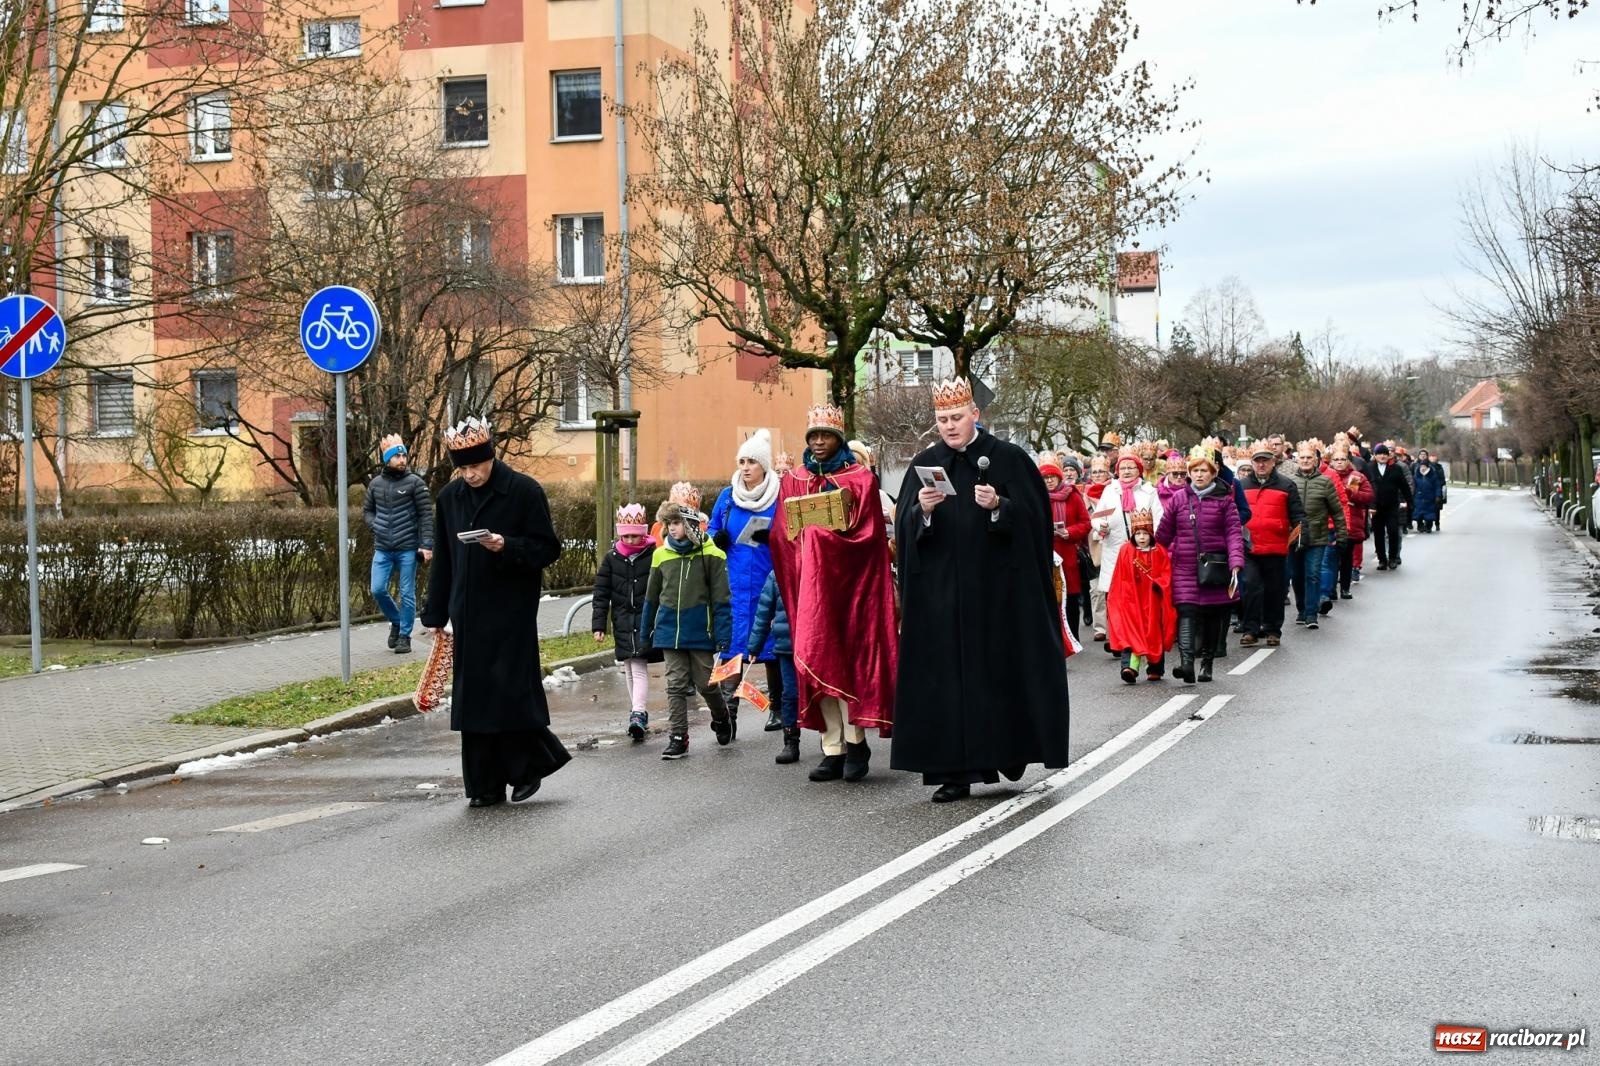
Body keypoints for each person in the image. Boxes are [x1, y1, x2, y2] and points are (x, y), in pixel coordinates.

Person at [891, 378, 1069, 803]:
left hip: (997, 599)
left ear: (975, 414)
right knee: (947, 684)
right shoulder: (926, 462)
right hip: (943, 601)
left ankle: (1003, 753)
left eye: (956, 417)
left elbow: (1036, 524)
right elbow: (903, 528)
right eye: (942, 420)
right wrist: (923, 513)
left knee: (996, 679)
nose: (950, 426)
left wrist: (1000, 508)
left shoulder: (1008, 459)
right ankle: (954, 772)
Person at [421, 418, 570, 807]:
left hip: (510, 611)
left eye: (476, 466)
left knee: (509, 694)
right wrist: (434, 613)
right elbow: (444, 560)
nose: (470, 474)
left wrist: (507, 546)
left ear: (491, 456)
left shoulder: (523, 491)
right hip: (466, 612)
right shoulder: (449, 498)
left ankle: (526, 770)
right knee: (473, 701)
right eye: (463, 468)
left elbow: (547, 548)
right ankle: (484, 786)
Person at [769, 404, 898, 783]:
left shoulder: (859, 478)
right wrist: (799, 539)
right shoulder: (793, 479)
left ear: (838, 439)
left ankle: (856, 742)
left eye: (826, 435)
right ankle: (832, 747)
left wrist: (820, 538)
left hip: (849, 590)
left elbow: (869, 534)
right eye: (814, 436)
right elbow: (781, 533)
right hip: (809, 589)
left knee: (848, 660)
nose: (820, 442)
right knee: (815, 657)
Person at [641, 502, 733, 759]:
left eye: (677, 522)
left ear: (691, 525)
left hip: (700, 631)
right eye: (669, 523)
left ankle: (721, 715)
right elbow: (651, 598)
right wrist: (645, 630)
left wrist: (724, 636)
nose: (672, 527)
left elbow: (722, 600)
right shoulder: (661, 555)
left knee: (706, 684)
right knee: (675, 685)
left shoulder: (713, 555)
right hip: (669, 631)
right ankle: (678, 736)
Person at [708, 428, 783, 735]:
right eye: (742, 461)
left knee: (773, 645)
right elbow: (711, 531)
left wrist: (774, 538)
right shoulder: (728, 497)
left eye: (752, 461)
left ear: (764, 465)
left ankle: (778, 708)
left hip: (769, 581)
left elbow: (795, 533)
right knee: (734, 646)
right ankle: (729, 712)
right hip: (735, 584)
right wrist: (718, 539)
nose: (746, 467)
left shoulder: (779, 494)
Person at [1156, 446, 1245, 684]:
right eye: (1194, 470)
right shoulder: (1178, 499)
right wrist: (1151, 556)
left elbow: (1234, 534)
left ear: (1213, 473)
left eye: (1203, 470)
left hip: (1215, 568)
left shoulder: (1225, 501)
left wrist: (1236, 563)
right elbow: (1163, 535)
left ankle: (1207, 662)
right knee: (1186, 612)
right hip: (1184, 566)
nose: (1198, 475)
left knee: (1212, 617)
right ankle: (1187, 664)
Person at [591, 503, 661, 741]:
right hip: (622, 620)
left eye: (636, 535)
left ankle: (638, 712)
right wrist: (599, 625)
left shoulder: (653, 556)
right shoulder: (611, 559)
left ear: (644, 533)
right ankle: (637, 712)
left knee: (638, 666)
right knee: (629, 667)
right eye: (626, 535)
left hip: (643, 618)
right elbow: (601, 593)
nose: (631, 540)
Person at [363, 433, 433, 655]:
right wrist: (375, 526)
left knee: (407, 592)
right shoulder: (375, 484)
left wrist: (427, 545)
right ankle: (396, 621)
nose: (402, 459)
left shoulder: (415, 483)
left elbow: (426, 516)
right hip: (382, 548)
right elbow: (367, 511)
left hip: (407, 548)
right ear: (387, 459)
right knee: (377, 589)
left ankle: (405, 636)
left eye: (404, 455)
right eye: (397, 456)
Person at [1090, 447, 1163, 658]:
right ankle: (1118, 639)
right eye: (1123, 467)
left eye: (1131, 467)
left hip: (1141, 551)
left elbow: (1159, 520)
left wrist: (1149, 540)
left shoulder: (1149, 492)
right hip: (1115, 550)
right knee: (1115, 598)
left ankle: (1139, 637)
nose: (1127, 471)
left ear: (1139, 470)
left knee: (1138, 597)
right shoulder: (1110, 491)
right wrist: (1100, 526)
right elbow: (1097, 516)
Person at [1238, 441, 1303, 648]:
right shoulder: (1241, 486)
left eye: (1265, 460)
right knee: (1251, 587)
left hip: (1276, 548)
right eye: (1257, 461)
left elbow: (1298, 517)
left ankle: (1273, 629)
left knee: (1275, 590)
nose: (1261, 464)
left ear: (1273, 462)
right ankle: (1250, 629)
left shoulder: (1286, 485)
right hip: (1249, 547)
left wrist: (1297, 539)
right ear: (1252, 463)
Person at [1106, 509, 1176, 683]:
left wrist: (1159, 584)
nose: (1142, 537)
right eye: (1138, 533)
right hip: (1132, 600)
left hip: (1153, 600)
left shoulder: (1159, 551)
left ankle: (1154, 668)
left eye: (1145, 533)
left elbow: (1166, 574)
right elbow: (1120, 576)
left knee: (1154, 632)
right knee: (1131, 631)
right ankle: (1129, 667)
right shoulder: (1126, 551)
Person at [1285, 441, 1347, 628]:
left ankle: (1312, 613)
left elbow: (1337, 511)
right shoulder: (1289, 482)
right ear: (1297, 459)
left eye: (1309, 458)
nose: (1305, 461)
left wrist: (1342, 535)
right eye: (1302, 457)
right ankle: (1302, 610)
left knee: (1312, 574)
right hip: (1295, 537)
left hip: (1318, 536)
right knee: (1296, 575)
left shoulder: (1325, 482)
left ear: (1316, 460)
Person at [745, 571, 800, 765]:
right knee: (790, 694)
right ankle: (791, 740)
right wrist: (755, 645)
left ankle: (828, 740)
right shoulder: (776, 574)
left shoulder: (816, 562)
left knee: (819, 695)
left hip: (815, 645)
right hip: (786, 645)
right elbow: (763, 611)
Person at [1041, 456, 1091, 645]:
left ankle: (1073, 639)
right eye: (1045, 478)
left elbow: (1086, 523)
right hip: (1045, 553)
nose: (1049, 481)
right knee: (1049, 599)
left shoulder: (1072, 495)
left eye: (1052, 477)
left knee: (1069, 598)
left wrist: (1069, 532)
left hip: (1068, 553)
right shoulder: (1037, 497)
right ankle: (1053, 640)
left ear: (1059, 477)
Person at [1324, 448, 1372, 601]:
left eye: (1342, 459)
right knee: (1331, 558)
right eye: (1336, 460)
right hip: (1330, 523)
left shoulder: (1355, 476)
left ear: (1348, 461)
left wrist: (1352, 494)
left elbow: (1368, 495)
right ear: (1331, 462)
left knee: (1346, 558)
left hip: (1350, 522)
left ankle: (1345, 588)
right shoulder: (1327, 476)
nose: (1339, 462)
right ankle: (1330, 589)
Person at [1366, 443, 1412, 569]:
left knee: (1393, 532)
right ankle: (1382, 559)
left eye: (1385, 454)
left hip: (1392, 505)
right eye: (1379, 454)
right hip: (1376, 507)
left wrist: (1410, 501)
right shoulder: (1369, 468)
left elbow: (1404, 486)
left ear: (1388, 456)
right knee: (1379, 534)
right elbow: (1364, 485)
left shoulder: (1396, 468)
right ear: (1374, 456)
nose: (1382, 456)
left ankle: (1392, 558)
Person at [1412, 450, 1446, 533]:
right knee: (1419, 513)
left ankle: (1429, 526)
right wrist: (1412, 495)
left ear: (1428, 467)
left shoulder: (1432, 475)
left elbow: (1437, 486)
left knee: (1429, 513)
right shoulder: (1417, 475)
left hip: (1430, 498)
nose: (1423, 468)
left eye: (1424, 467)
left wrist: (1438, 495)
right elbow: (1413, 486)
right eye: (1422, 466)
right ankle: (1420, 525)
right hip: (1419, 498)